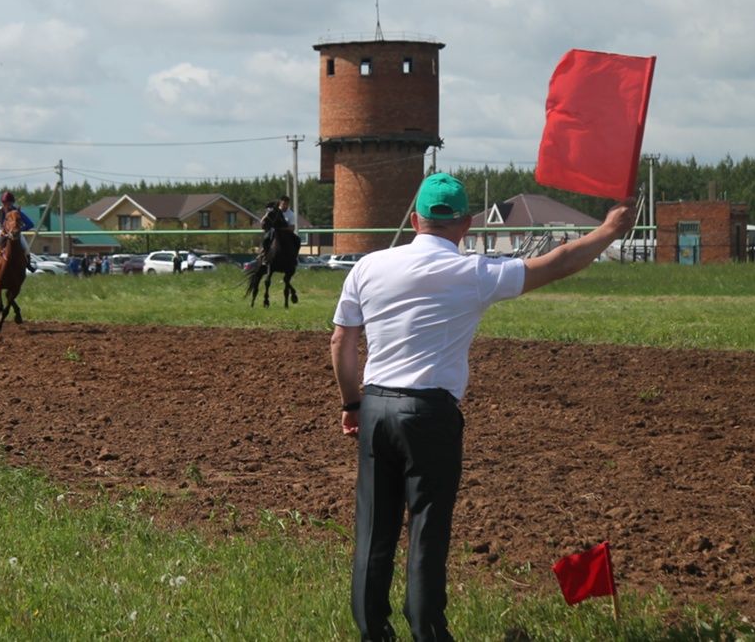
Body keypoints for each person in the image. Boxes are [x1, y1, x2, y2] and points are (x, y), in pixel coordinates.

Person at [331, 172, 635, 641]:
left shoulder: (368, 267)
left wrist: (353, 403)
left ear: (415, 219)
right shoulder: (473, 273)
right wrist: (608, 231)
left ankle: (374, 631)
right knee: (426, 534)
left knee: (375, 530)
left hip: (376, 407)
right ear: (466, 224)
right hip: (430, 413)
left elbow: (341, 342)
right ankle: (429, 631)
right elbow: (555, 264)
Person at [0, 192, 36, 273]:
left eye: (10, 203)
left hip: (14, 231)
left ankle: (28, 264)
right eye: (6, 203)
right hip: (0, 229)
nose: (8, 205)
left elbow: (30, 224)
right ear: (2, 203)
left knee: (26, 247)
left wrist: (19, 229)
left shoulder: (17, 212)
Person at [261, 195, 298, 261]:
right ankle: (263, 255)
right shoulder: (274, 211)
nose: (285, 206)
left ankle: (292, 259)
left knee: (294, 242)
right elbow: (263, 220)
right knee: (266, 239)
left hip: (285, 233)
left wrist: (281, 228)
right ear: (280, 203)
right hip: (273, 231)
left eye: (286, 204)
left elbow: (292, 228)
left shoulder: (291, 214)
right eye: (283, 204)